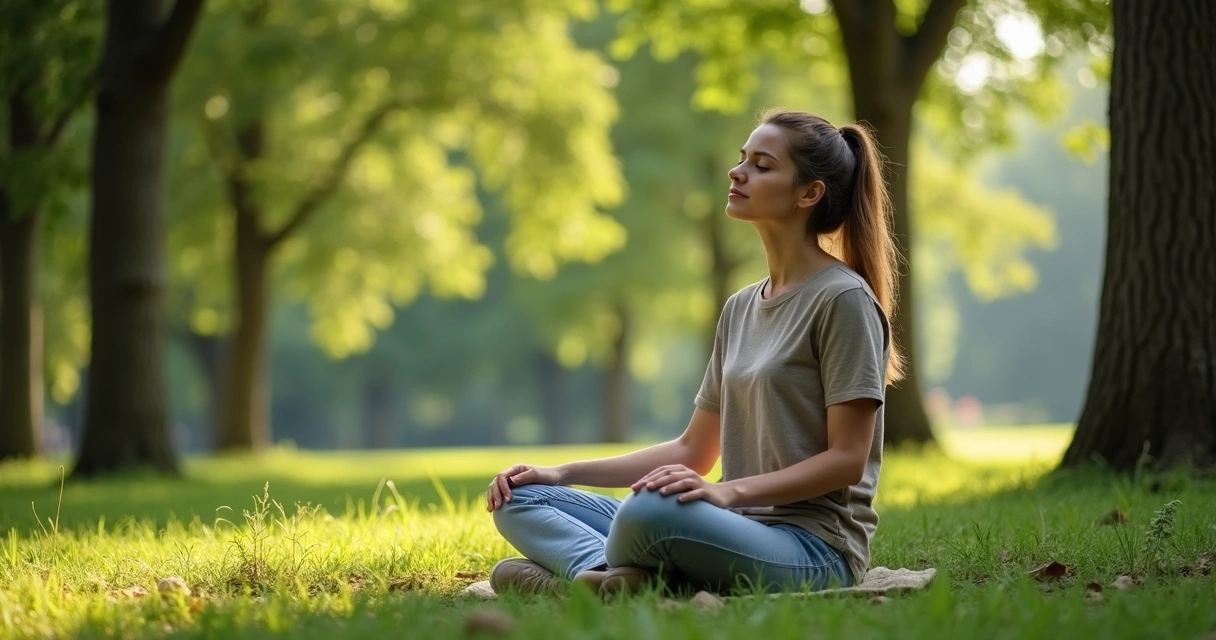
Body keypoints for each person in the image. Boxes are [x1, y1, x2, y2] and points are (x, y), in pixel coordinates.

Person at [485, 109, 903, 598]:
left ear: (809, 193)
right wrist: (562, 472)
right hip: (726, 524)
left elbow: (847, 460)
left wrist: (727, 492)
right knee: (522, 497)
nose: (737, 171)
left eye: (762, 165)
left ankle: (589, 577)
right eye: (742, 158)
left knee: (647, 513)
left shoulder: (842, 300)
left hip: (812, 548)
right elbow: (693, 451)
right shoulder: (741, 306)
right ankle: (602, 578)